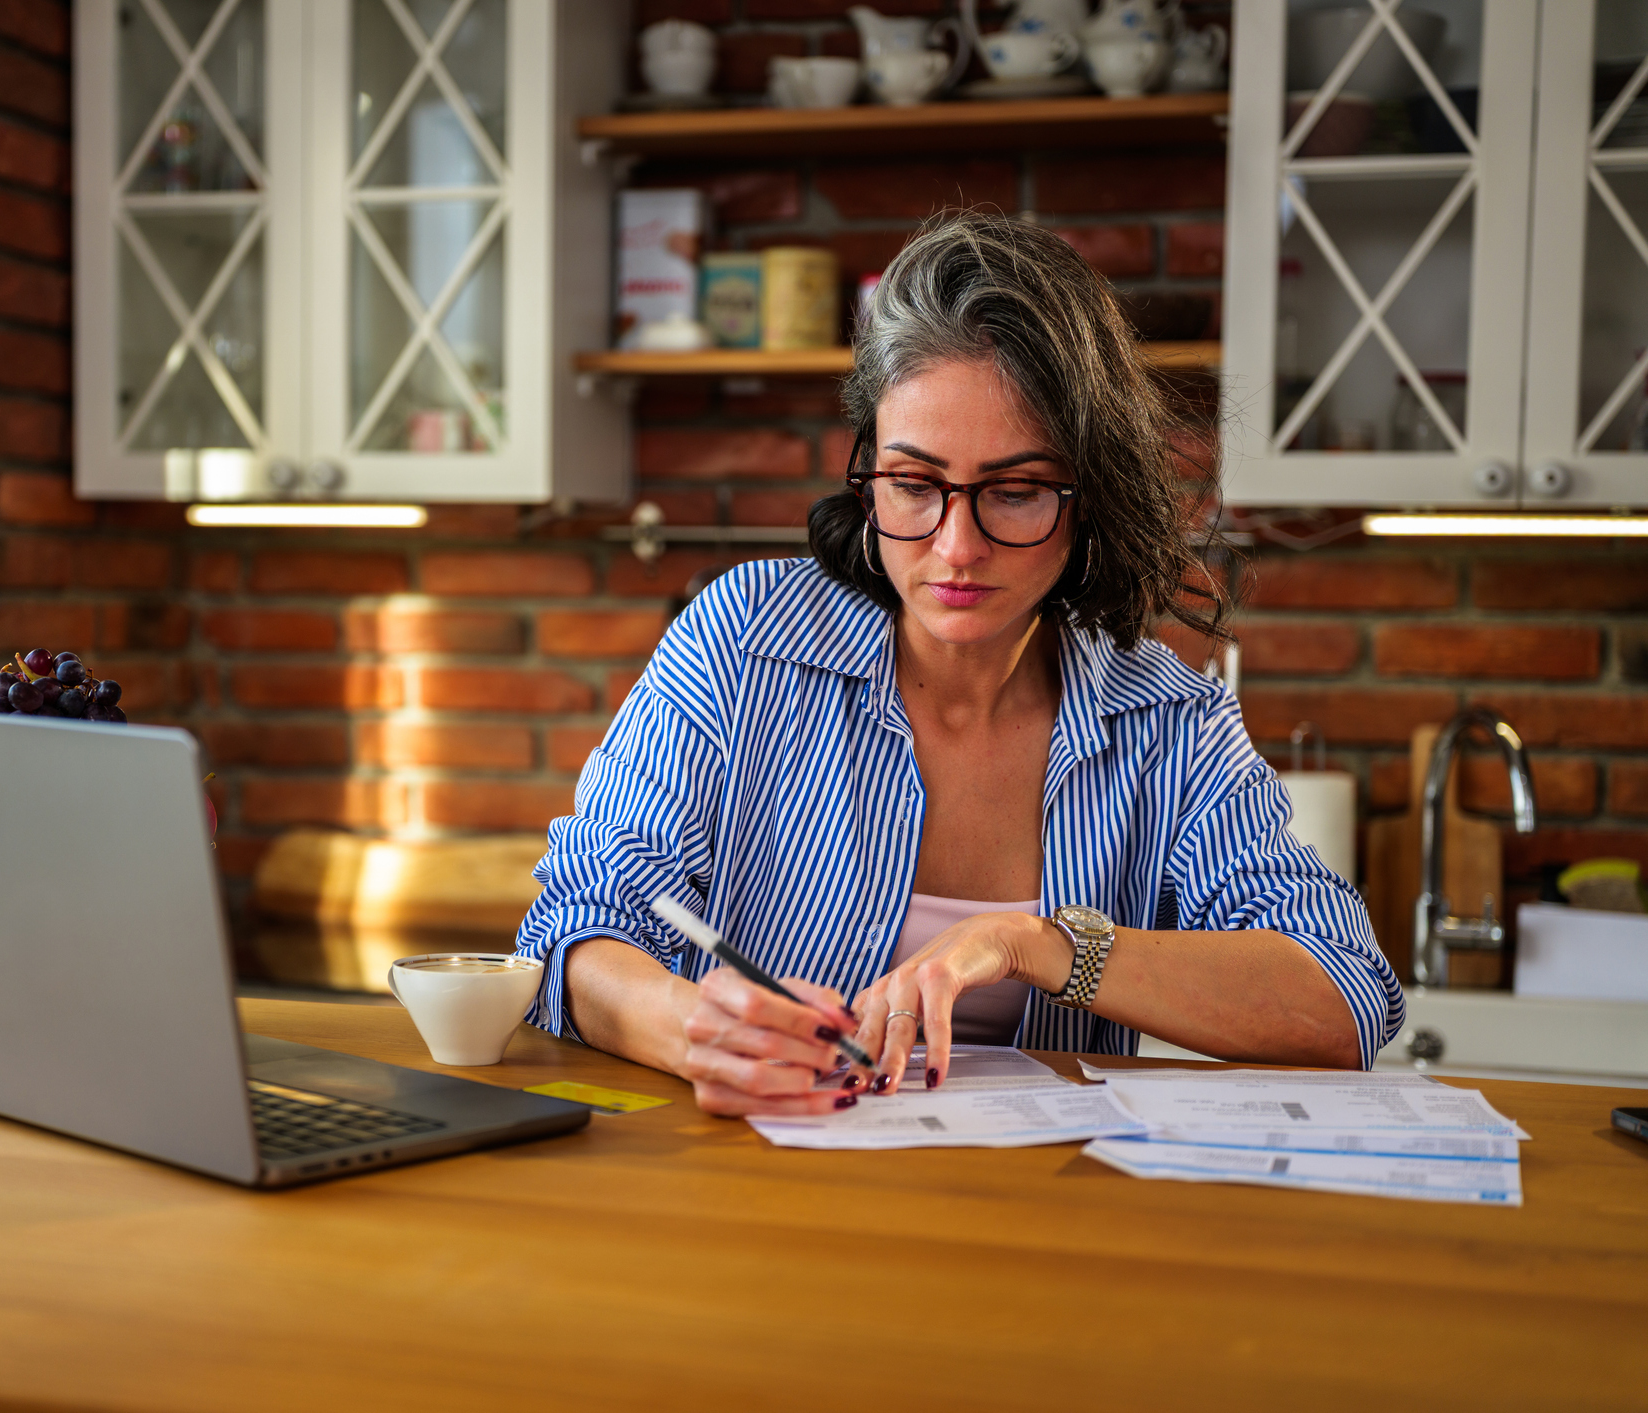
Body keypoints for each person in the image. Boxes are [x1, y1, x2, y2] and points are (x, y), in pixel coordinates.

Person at [514, 213, 1401, 1118]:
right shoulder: (743, 642)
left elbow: (1345, 999)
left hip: (1036, 1222)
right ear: (869, 474)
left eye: (1013, 492)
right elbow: (570, 931)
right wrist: (687, 1027)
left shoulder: (1167, 719)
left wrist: (1040, 945)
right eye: (913, 485)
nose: (955, 546)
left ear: (1087, 495)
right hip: (755, 1205)